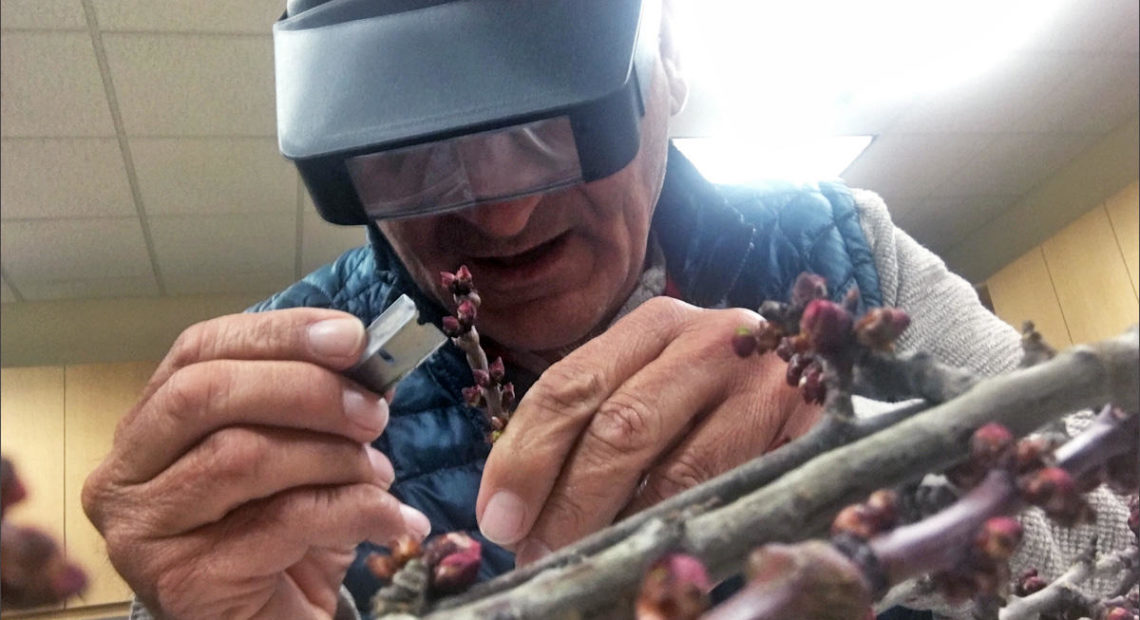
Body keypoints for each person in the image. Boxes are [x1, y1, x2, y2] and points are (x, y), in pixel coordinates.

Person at [81, 1, 1132, 619]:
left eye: (553, 117)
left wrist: (882, 466)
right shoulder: (284, 410)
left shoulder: (850, 254)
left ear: (665, 65)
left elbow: (1106, 546)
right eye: (412, 149)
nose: (501, 206)